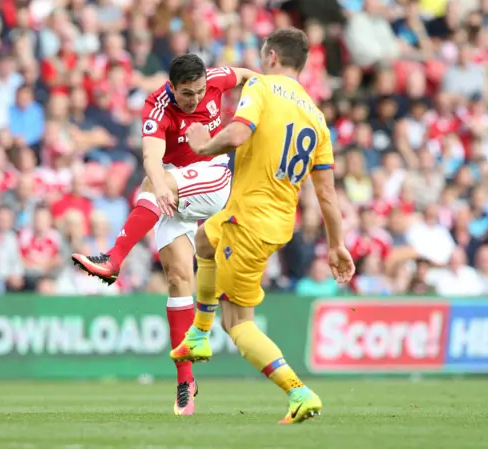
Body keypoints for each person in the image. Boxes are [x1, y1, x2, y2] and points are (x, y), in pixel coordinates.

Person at [170, 28, 355, 424]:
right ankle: (199, 334)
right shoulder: (317, 118)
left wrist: (202, 144)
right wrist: (337, 245)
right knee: (204, 240)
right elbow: (326, 195)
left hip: (249, 220)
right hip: (269, 219)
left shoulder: (262, 86)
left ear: (270, 56)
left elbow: (238, 134)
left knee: (238, 324)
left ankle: (298, 392)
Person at [72, 54, 257, 415]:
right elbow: (152, 159)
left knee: (157, 185)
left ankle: (113, 259)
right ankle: (185, 381)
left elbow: (250, 76)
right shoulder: (156, 107)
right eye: (187, 93)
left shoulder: (217, 79)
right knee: (177, 279)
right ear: (171, 87)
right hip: (174, 188)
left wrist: (269, 100)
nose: (195, 99)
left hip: (213, 176)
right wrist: (160, 187)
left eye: (200, 92)